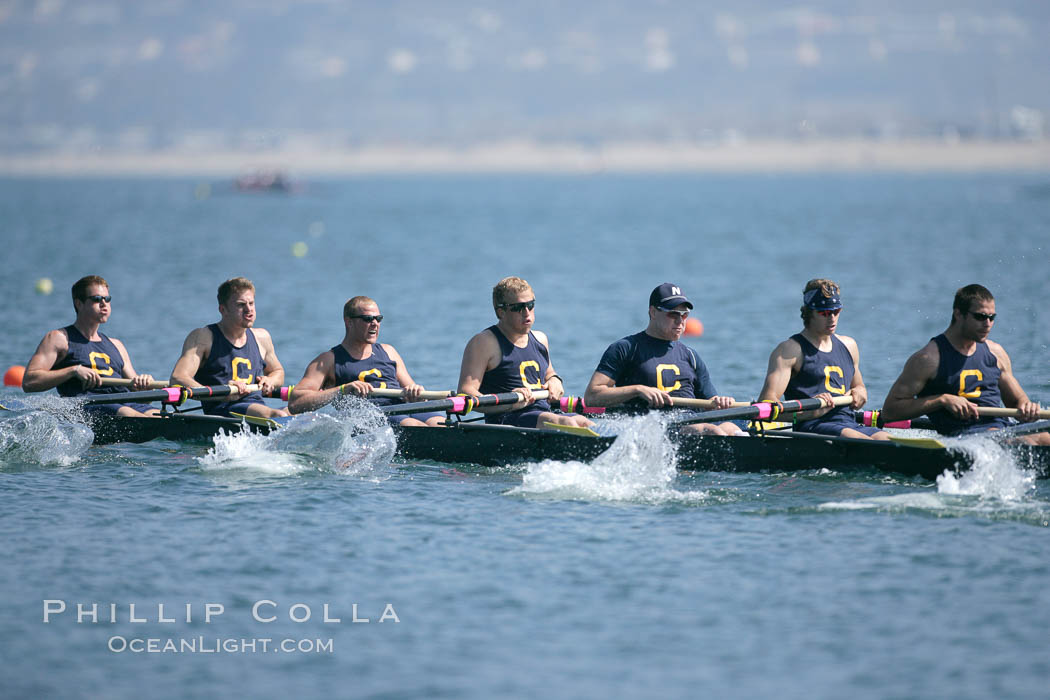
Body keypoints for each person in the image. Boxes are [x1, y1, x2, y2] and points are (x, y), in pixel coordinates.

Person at [882, 284, 1049, 444]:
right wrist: (942, 400)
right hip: (965, 439)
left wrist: (1027, 408)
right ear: (958, 314)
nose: (988, 324)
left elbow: (1017, 402)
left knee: (1043, 437)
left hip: (1002, 431)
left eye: (992, 318)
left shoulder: (996, 353)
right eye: (980, 317)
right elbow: (890, 411)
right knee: (1029, 441)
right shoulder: (928, 359)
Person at [583, 283, 743, 435]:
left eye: (685, 315)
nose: (680, 321)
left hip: (692, 423)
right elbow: (592, 397)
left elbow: (710, 404)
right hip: (654, 430)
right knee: (714, 431)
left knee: (730, 427)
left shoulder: (691, 356)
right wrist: (638, 390)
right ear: (653, 312)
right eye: (673, 314)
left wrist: (721, 401)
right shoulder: (626, 348)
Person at [758, 279, 889, 439]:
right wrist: (808, 413)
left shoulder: (849, 345)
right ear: (809, 312)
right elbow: (765, 406)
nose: (832, 318)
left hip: (849, 423)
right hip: (813, 427)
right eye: (825, 313)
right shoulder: (789, 351)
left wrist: (861, 392)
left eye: (836, 311)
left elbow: (859, 385)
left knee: (886, 439)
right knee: (859, 439)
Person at [458, 276, 593, 430]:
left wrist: (555, 380)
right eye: (518, 307)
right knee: (567, 423)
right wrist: (508, 402)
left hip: (543, 414)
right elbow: (465, 392)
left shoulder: (540, 339)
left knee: (585, 422)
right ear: (501, 312)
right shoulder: (484, 342)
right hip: (508, 419)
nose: (527, 312)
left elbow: (549, 373)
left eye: (530, 305)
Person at [287, 296, 445, 426]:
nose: (375, 323)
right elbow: (295, 403)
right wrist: (342, 390)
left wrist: (416, 393)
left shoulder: (389, 351)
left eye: (378, 318)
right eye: (368, 319)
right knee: (411, 425)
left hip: (404, 408)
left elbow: (411, 391)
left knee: (441, 424)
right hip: (371, 418)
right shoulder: (328, 360)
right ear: (349, 322)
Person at [22, 275, 158, 417]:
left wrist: (146, 386)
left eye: (107, 299)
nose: (104, 304)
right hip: (90, 404)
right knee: (128, 414)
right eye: (97, 299)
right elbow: (29, 382)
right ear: (79, 304)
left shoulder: (116, 345)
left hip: (124, 402)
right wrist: (73, 371)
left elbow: (142, 398)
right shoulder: (59, 338)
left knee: (159, 415)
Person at [170, 277, 289, 419]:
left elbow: (278, 371)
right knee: (279, 415)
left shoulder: (262, 337)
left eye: (251, 303)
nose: (249, 309)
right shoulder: (203, 338)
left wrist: (271, 381)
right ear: (223, 309)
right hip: (224, 409)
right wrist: (222, 393)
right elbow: (178, 378)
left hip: (256, 406)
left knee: (299, 414)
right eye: (240, 305)